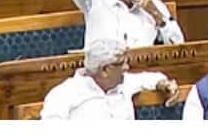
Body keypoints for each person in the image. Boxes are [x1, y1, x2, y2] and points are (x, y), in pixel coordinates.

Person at [40, 39, 180, 120]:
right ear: (105, 70)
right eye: (122, 63)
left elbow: (150, 78)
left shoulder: (124, 83)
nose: (127, 67)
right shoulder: (63, 94)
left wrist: (165, 85)